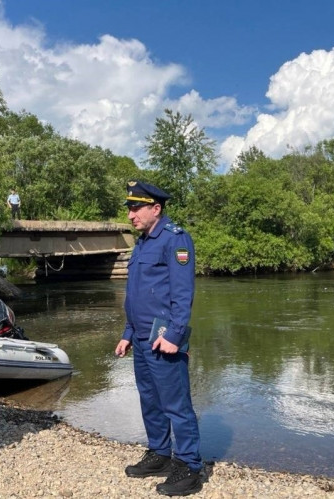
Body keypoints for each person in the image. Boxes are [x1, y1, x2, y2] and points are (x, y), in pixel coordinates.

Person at [115, 180, 204, 496]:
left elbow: (183, 294)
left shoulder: (175, 239)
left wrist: (175, 335)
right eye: (129, 209)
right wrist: (127, 333)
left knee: (176, 404)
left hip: (163, 338)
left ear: (156, 208)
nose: (130, 215)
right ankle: (160, 454)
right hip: (141, 338)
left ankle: (190, 467)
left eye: (135, 208)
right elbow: (136, 295)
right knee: (150, 400)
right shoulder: (142, 243)